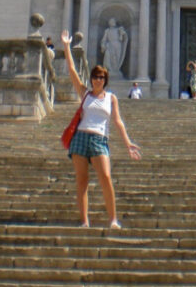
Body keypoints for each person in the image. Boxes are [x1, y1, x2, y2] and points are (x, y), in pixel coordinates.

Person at [60, 30, 141, 228]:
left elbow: (118, 121)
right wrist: (66, 47)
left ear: (105, 80)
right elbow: (72, 70)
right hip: (80, 138)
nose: (98, 80)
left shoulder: (111, 98)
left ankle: (113, 219)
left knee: (105, 177)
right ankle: (84, 221)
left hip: (99, 140)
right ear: (92, 79)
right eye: (95, 77)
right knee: (82, 181)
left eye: (101, 77)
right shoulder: (85, 93)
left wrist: (128, 142)